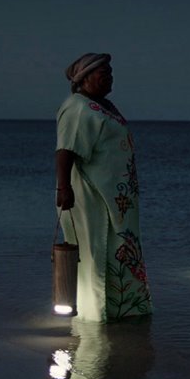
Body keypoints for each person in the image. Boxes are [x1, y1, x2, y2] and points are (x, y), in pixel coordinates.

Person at [55, 53, 152, 322]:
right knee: (94, 252)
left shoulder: (104, 106)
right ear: (83, 78)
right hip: (91, 194)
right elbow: (65, 150)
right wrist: (64, 188)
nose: (109, 76)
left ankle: (122, 312)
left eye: (111, 71)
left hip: (117, 198)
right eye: (102, 72)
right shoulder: (77, 107)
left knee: (118, 248)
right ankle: (93, 319)